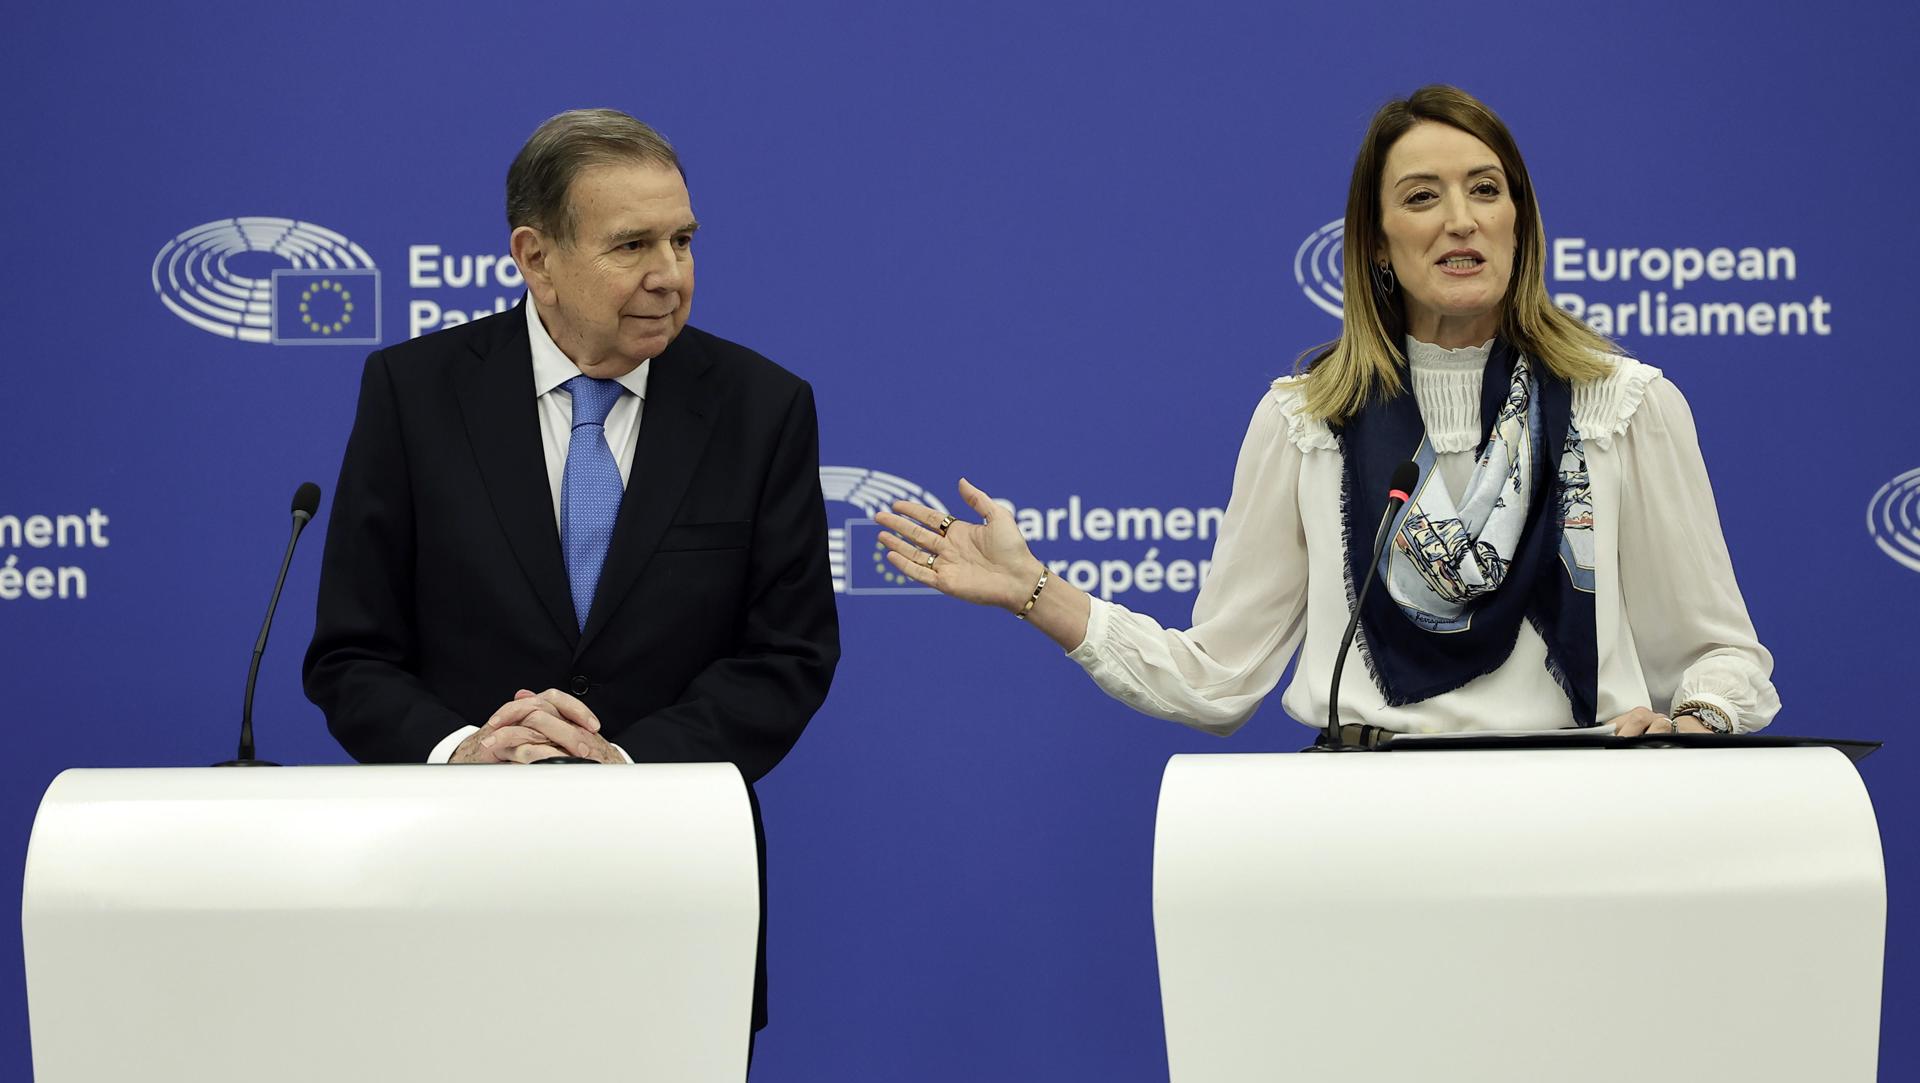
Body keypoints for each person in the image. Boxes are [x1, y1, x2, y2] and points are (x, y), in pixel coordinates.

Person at [876, 85, 1776, 740]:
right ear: (1379, 246)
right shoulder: (1307, 422)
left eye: (1486, 189)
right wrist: (1035, 592)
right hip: (1358, 836)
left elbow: (1719, 653)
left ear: (1521, 226)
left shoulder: (1622, 407)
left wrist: (1700, 720)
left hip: (1577, 818)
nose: (1460, 219)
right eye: (1423, 196)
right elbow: (1215, 678)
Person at [303, 108, 840, 1034]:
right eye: (632, 244)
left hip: (676, 880)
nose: (669, 275)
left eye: (682, 240)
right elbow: (351, 653)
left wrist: (623, 764)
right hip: (450, 876)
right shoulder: (414, 392)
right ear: (534, 255)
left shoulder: (762, 408)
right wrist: (465, 751)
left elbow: (786, 656)